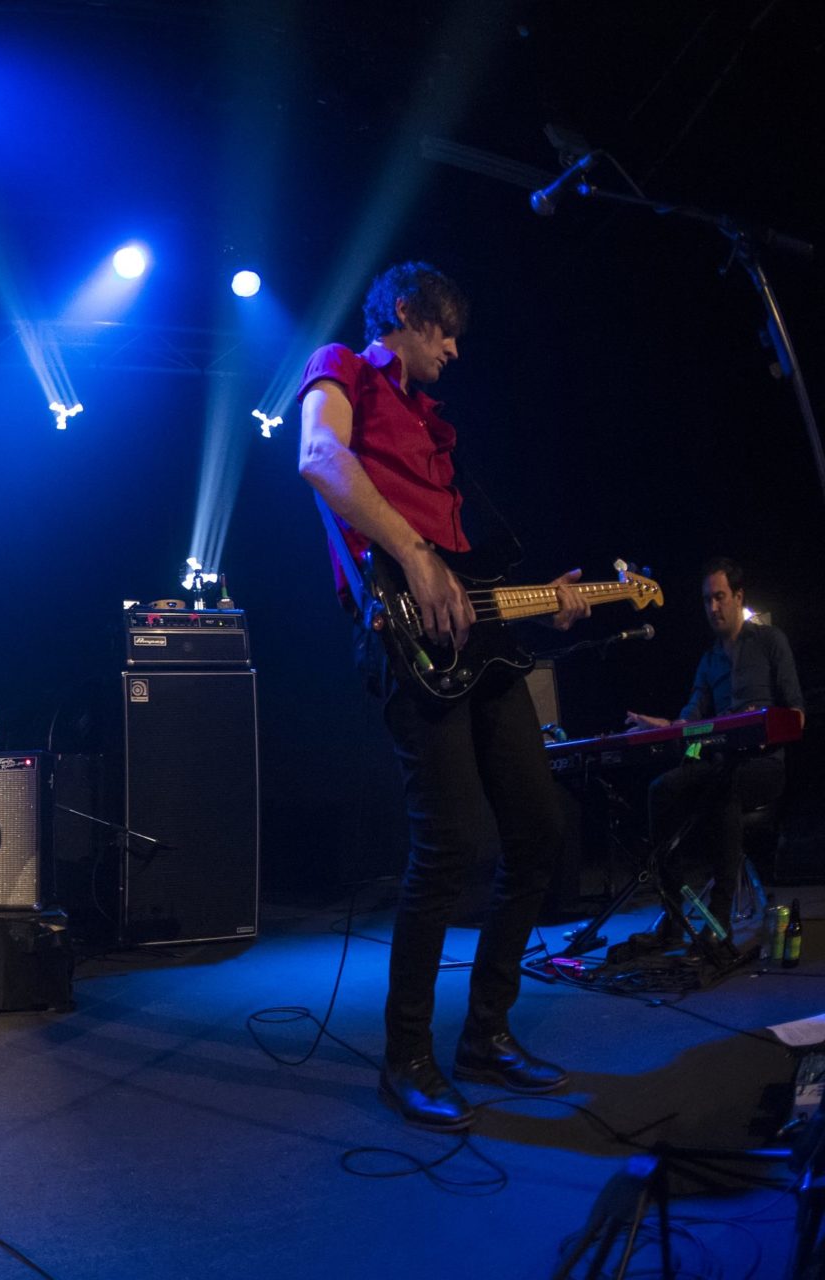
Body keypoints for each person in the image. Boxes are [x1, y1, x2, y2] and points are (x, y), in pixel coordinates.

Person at [297, 262, 589, 1132]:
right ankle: (408, 1055)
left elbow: (476, 577)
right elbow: (319, 457)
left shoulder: (436, 426)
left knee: (539, 831)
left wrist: (549, 603)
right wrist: (415, 556)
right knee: (450, 843)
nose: (456, 350)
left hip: (481, 643)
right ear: (405, 318)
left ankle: (487, 1033)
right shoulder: (342, 365)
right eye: (445, 332)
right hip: (402, 632)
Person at [627, 558, 805, 936]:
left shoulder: (770, 642)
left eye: (720, 597)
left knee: (723, 787)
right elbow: (692, 716)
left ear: (738, 597)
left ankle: (719, 918)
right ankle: (673, 913)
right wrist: (668, 726)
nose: (713, 607)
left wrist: (763, 722)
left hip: (765, 766)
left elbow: (796, 714)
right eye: (707, 600)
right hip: (722, 764)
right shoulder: (709, 661)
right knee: (661, 790)